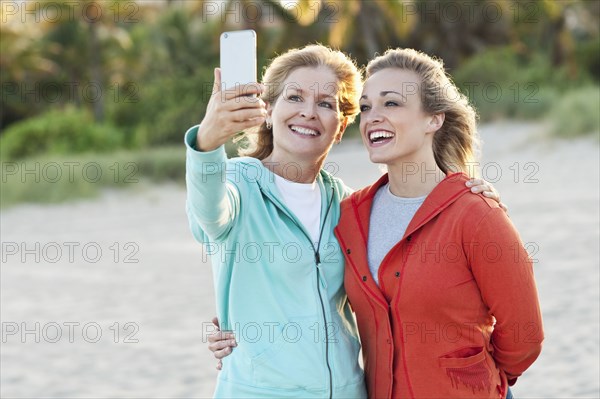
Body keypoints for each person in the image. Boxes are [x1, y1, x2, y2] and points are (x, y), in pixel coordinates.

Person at [190, 44, 502, 398]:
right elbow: (208, 212)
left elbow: (415, 258)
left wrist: (465, 190)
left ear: (340, 128)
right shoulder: (235, 183)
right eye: (295, 97)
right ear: (269, 110)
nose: (309, 112)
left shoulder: (350, 204)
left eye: (326, 104)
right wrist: (207, 143)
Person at [333, 48, 544, 398]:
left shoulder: (476, 214)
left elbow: (525, 336)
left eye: (391, 104)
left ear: (434, 119)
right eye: (367, 106)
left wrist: (474, 375)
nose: (372, 117)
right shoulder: (349, 216)